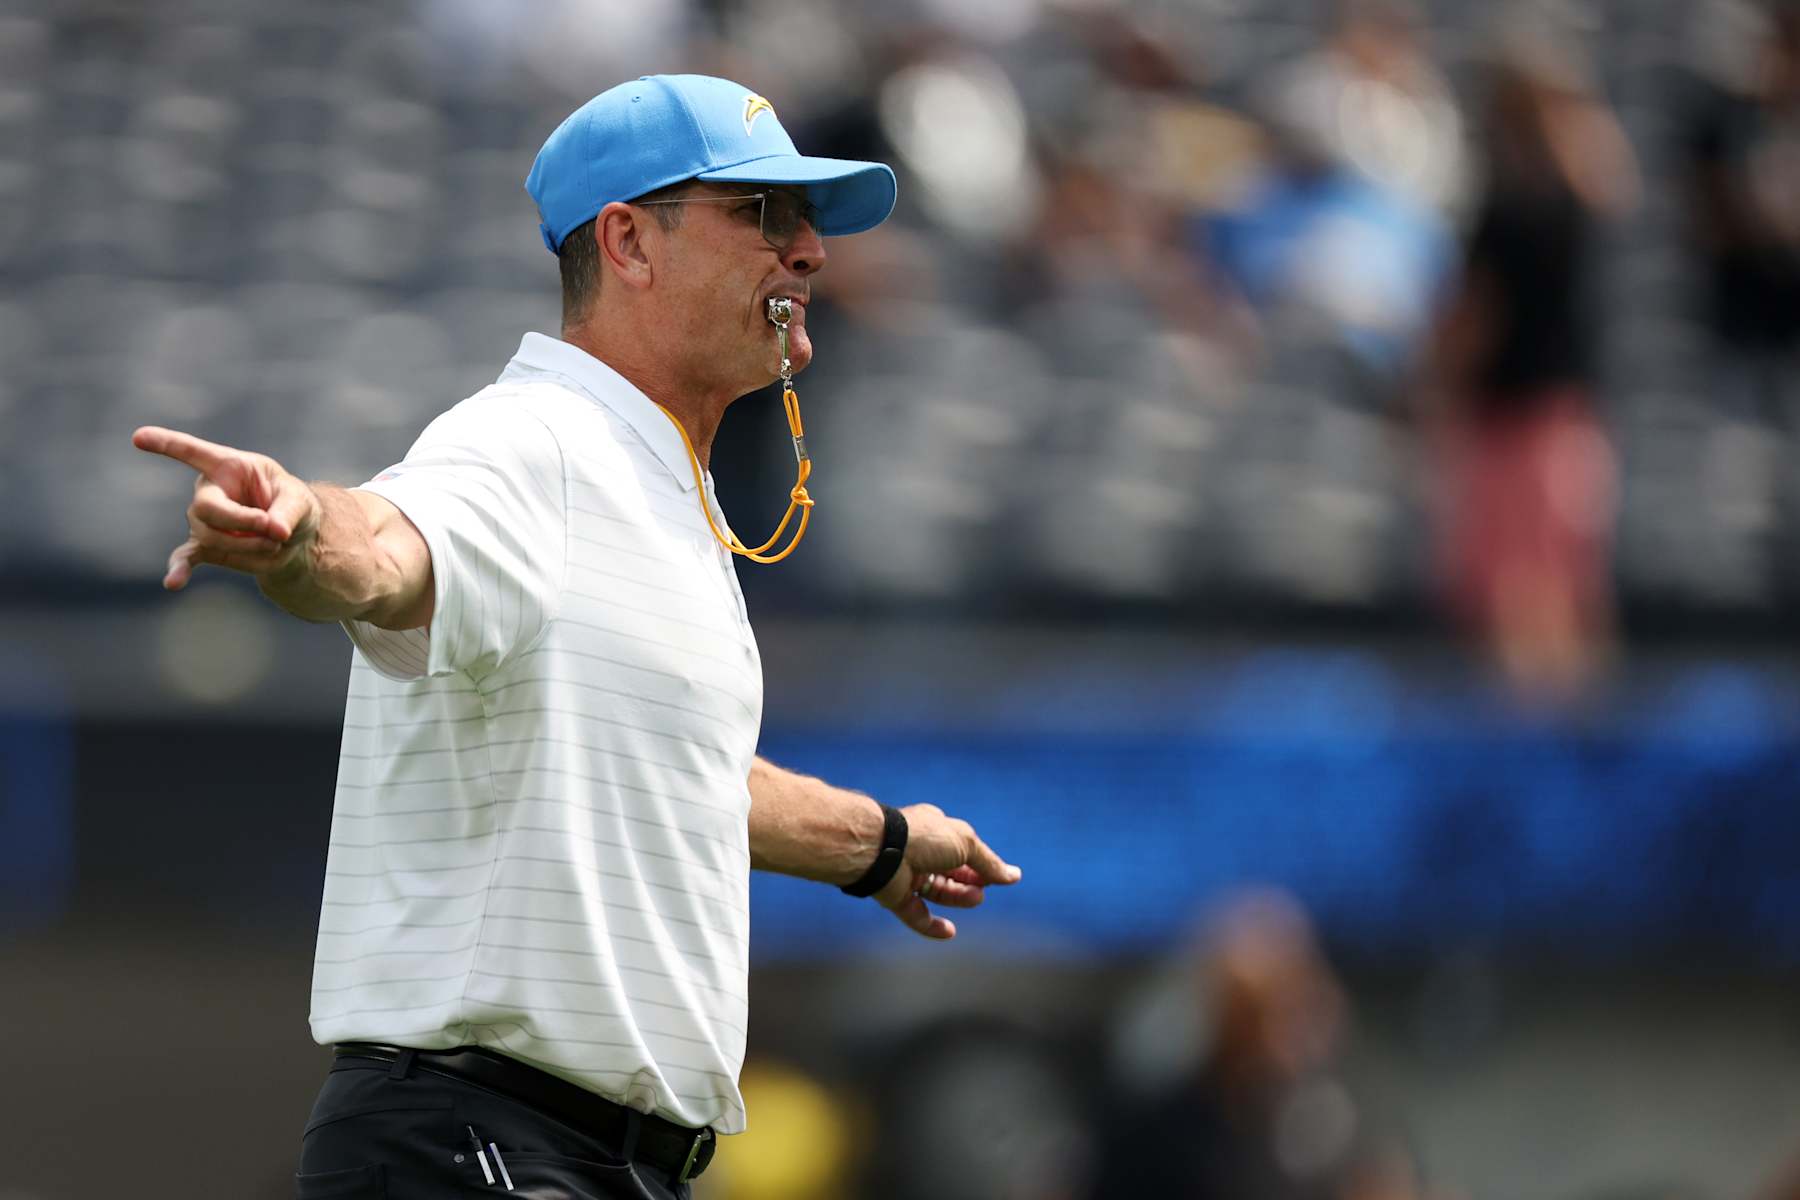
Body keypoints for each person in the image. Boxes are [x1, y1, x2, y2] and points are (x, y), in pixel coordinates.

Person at [130, 73, 1022, 1200]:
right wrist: (303, 529)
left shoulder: (653, 488)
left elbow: (668, 772)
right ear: (629, 243)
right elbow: (389, 551)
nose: (809, 253)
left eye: (807, 223)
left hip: (580, 1160)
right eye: (762, 215)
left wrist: (878, 843)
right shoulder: (534, 442)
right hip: (481, 1146)